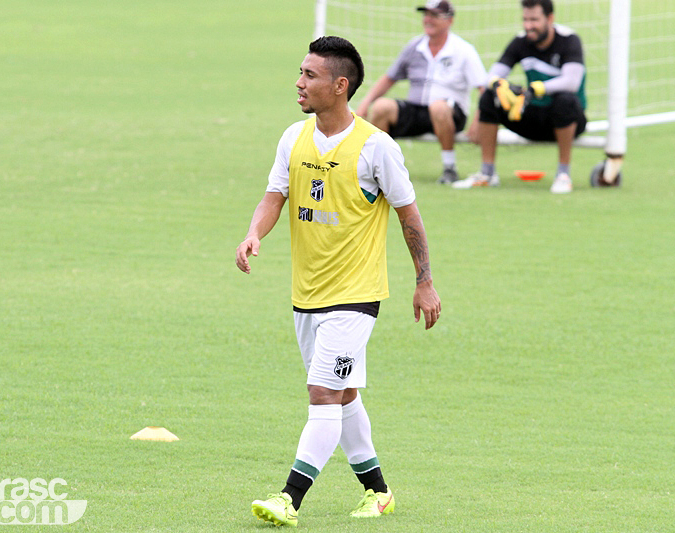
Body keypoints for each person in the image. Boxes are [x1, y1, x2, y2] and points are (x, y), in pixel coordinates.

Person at [236, 36, 441, 528]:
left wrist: (424, 282)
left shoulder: (376, 148)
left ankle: (289, 497)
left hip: (355, 298)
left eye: (310, 75)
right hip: (306, 296)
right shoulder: (293, 137)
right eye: (301, 73)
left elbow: (409, 215)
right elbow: (274, 196)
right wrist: (253, 234)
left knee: (322, 393)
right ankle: (378, 491)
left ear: (339, 85)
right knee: (343, 395)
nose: (299, 83)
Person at [453, 0, 588, 194]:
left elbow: (572, 82)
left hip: (569, 121)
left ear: (550, 18)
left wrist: (536, 89)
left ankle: (563, 175)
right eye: (525, 19)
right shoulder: (520, 41)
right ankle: (487, 173)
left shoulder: (569, 40)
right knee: (490, 97)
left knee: (565, 100)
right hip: (531, 117)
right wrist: (501, 85)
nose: (528, 26)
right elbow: (491, 76)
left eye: (534, 20)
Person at [355, 0, 487, 185]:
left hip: (450, 113)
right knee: (381, 107)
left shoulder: (463, 50)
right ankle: (378, 169)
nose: (428, 20)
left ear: (449, 20)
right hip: (417, 110)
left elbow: (483, 88)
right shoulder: (415, 46)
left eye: (434, 15)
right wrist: (365, 103)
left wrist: (479, 121)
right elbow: (390, 77)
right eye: (426, 15)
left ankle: (449, 168)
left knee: (438, 107)